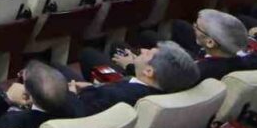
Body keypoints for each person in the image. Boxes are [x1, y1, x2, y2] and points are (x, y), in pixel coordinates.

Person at [71, 42, 200, 114]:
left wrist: (72, 94)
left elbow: (79, 110)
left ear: (148, 71)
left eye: (148, 53)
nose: (143, 50)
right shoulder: (164, 90)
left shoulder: (113, 94)